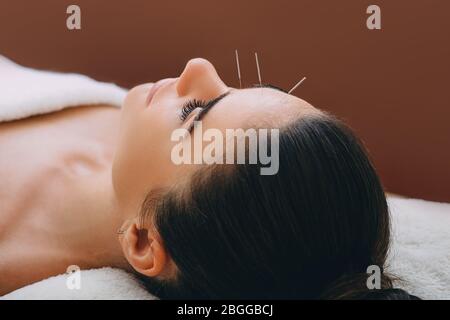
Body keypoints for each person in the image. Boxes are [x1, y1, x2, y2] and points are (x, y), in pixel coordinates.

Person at [0, 58, 418, 299]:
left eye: (193, 115)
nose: (198, 66)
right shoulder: (127, 128)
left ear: (144, 242)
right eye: (244, 87)